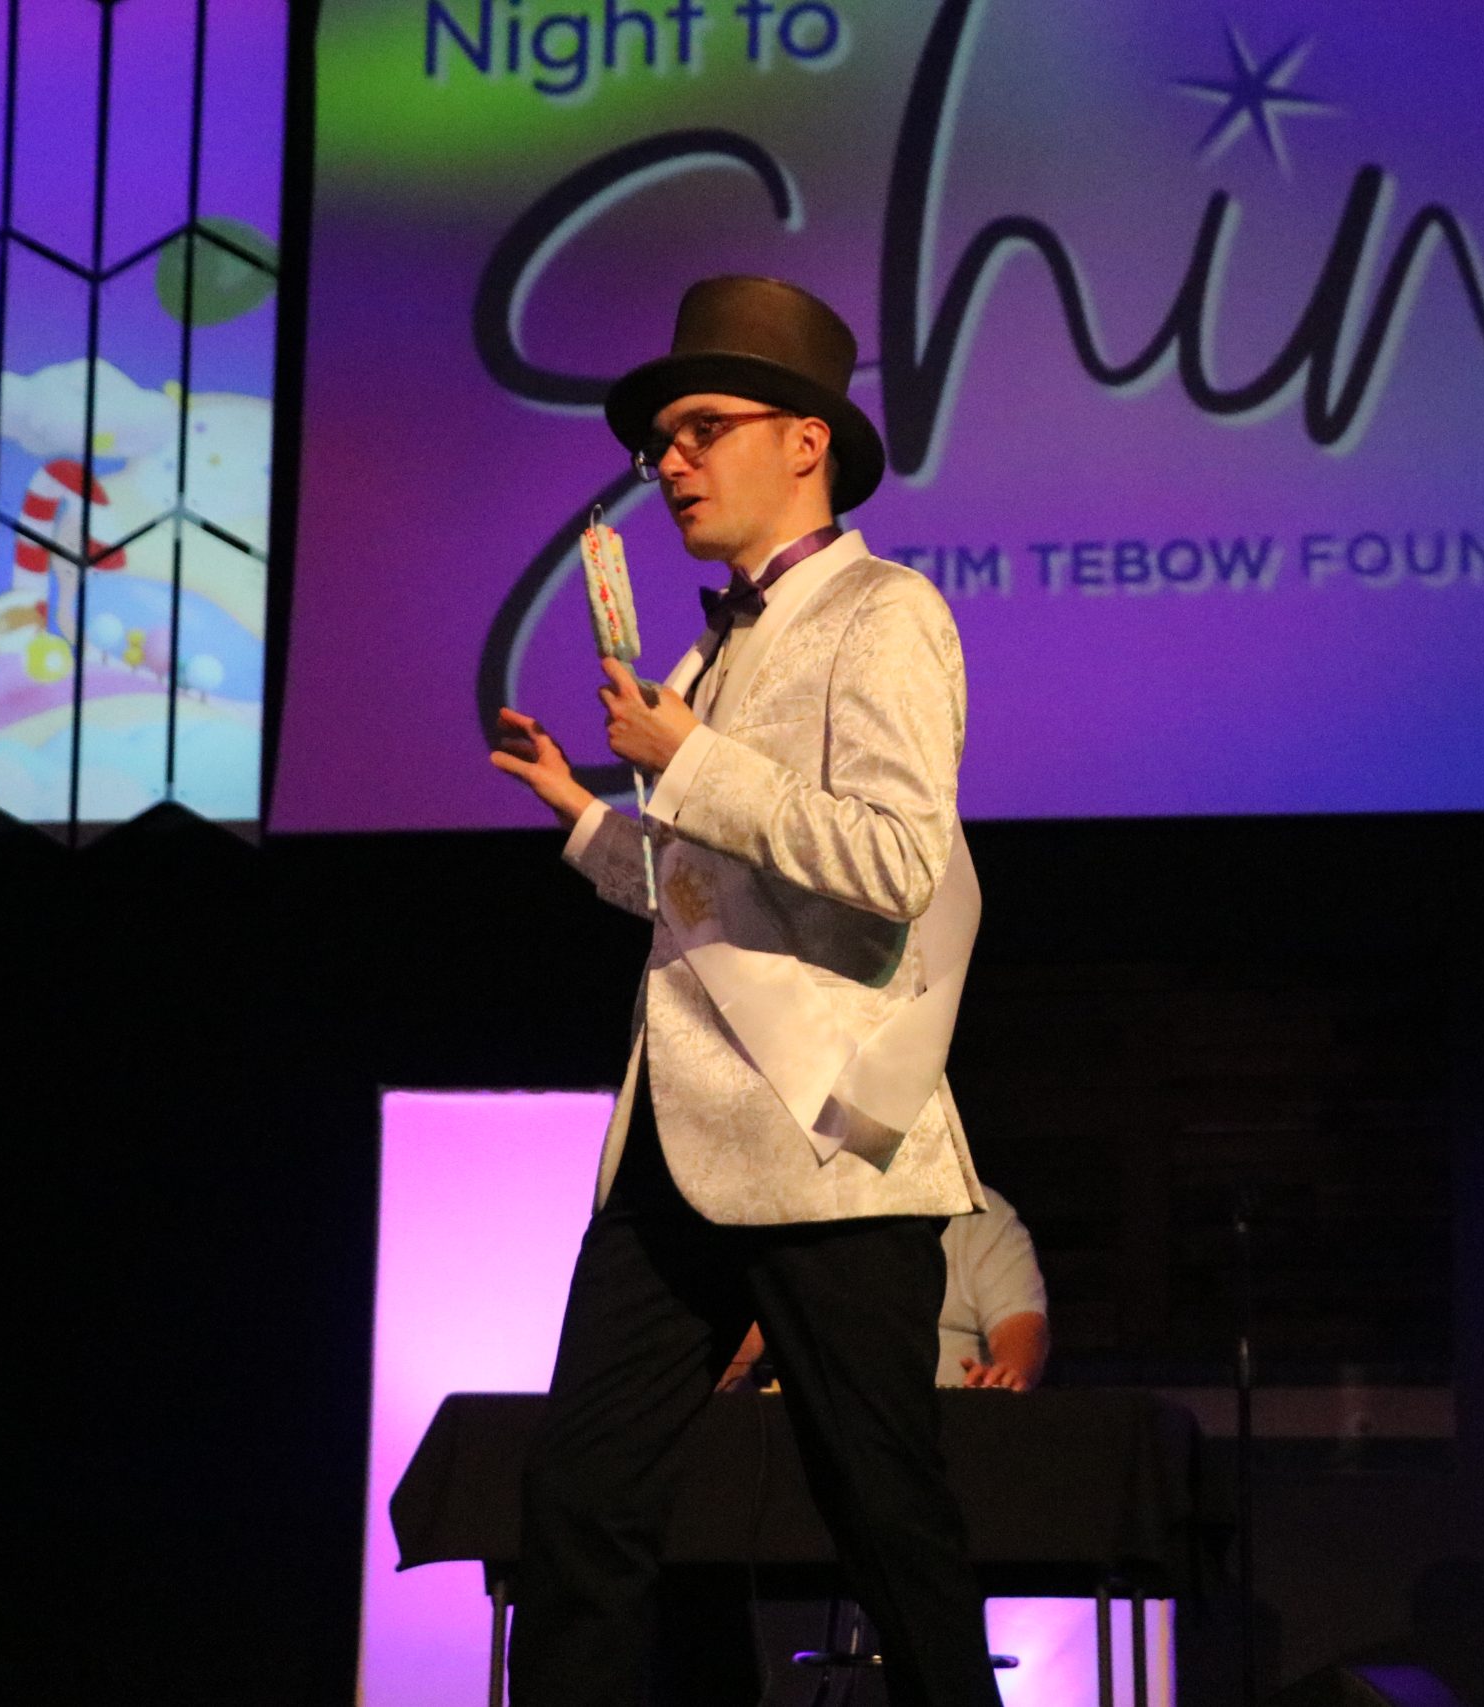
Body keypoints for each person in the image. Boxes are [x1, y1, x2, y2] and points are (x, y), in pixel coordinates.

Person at [488, 274, 1002, 1707]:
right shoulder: (715, 647)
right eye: (661, 439)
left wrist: (693, 761)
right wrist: (584, 815)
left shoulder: (883, 612)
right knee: (580, 1495)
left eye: (701, 427)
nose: (669, 460)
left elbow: (895, 861)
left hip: (826, 1143)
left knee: (885, 1513)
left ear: (806, 440)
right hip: (678, 1138)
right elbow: (712, 898)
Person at [722, 1187, 1050, 1392]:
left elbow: (1020, 1325)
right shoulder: (803, 1210)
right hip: (818, 1420)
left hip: (952, 1413)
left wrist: (1005, 1379)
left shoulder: (978, 1213)